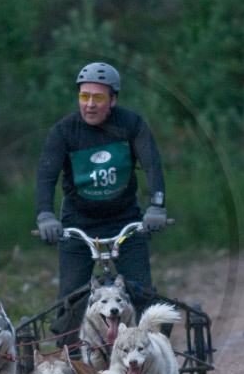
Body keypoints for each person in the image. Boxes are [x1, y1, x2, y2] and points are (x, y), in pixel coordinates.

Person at [36, 61, 167, 306]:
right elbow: (46, 176)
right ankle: (70, 346)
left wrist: (156, 206)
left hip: (125, 219)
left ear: (113, 100)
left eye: (98, 97)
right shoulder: (64, 131)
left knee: (143, 295)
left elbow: (152, 165)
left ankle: (150, 341)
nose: (90, 104)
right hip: (78, 222)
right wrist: (45, 216)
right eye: (84, 96)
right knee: (71, 299)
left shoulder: (132, 124)